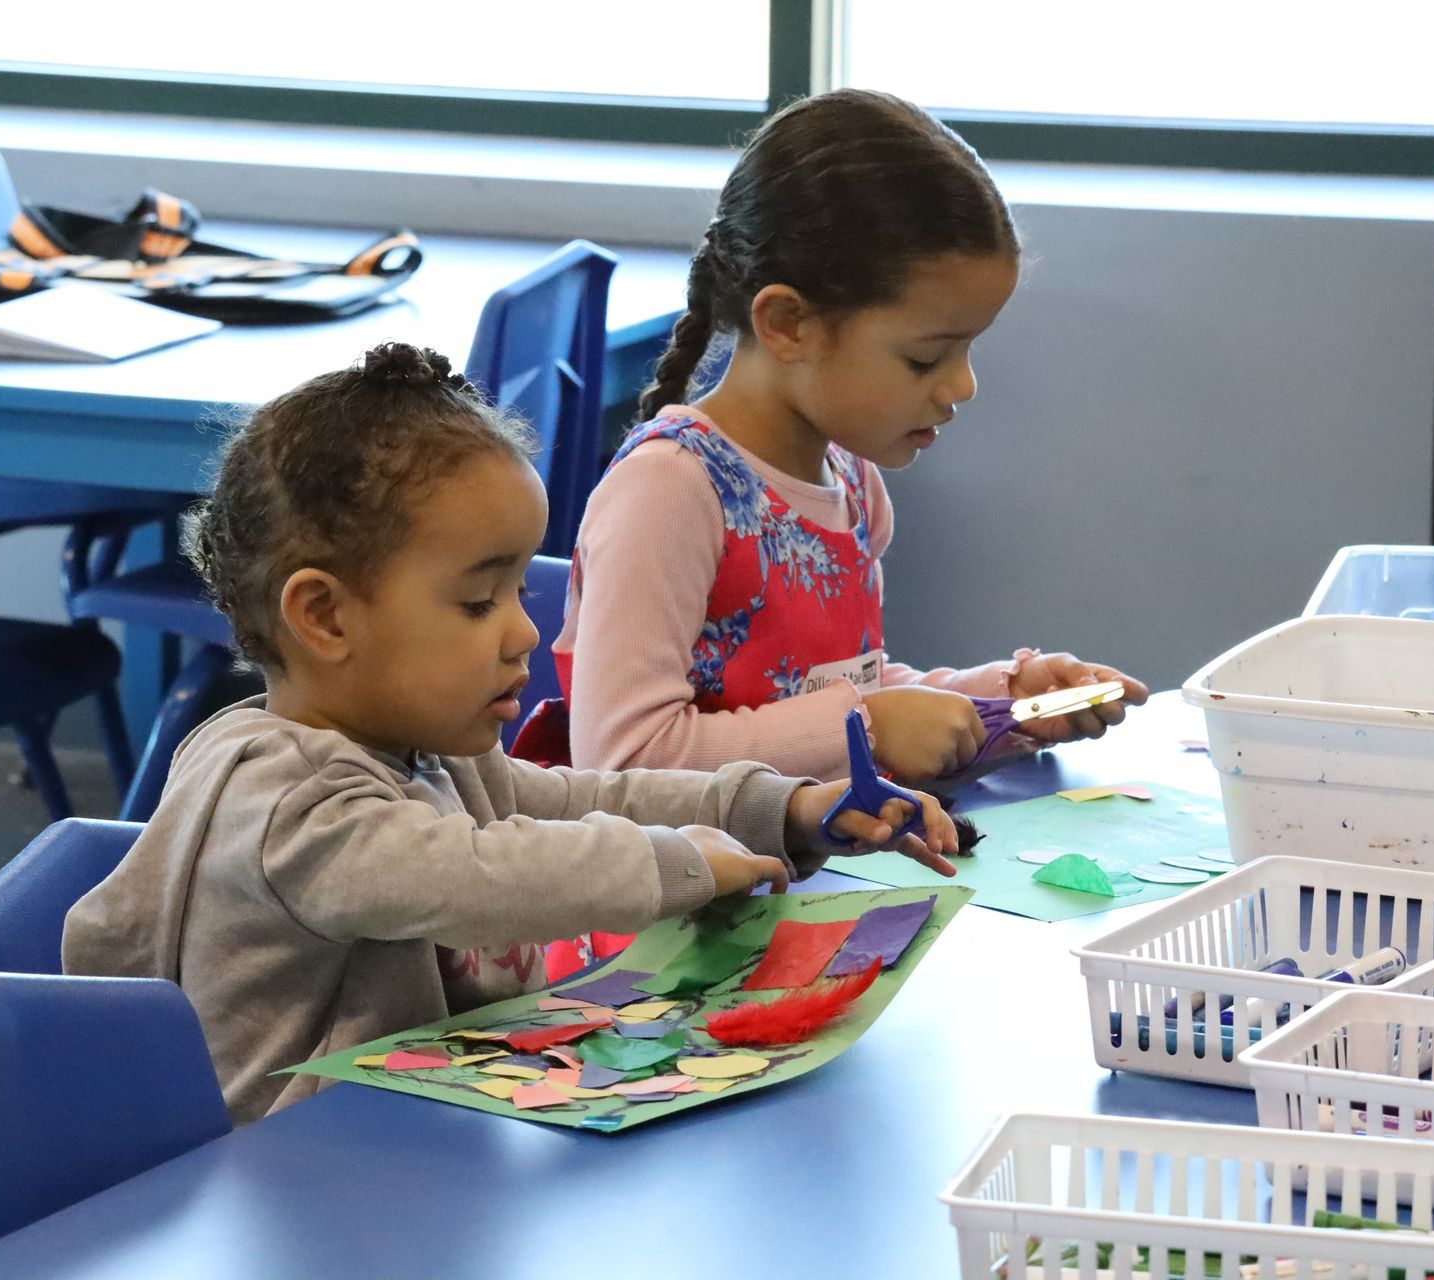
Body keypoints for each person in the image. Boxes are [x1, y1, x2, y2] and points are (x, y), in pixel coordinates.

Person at [63, 342, 959, 1124]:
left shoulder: (424, 752)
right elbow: (473, 873)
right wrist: (673, 864)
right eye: (475, 600)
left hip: (418, 1139)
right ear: (325, 618)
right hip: (286, 1184)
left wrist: (778, 810)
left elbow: (570, 796)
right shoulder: (285, 802)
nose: (523, 632)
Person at [540, 89, 1149, 785]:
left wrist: (1001, 704)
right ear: (789, 324)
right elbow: (624, 759)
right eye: (925, 358)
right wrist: (868, 729)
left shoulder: (851, 479)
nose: (962, 387)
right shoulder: (669, 493)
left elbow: (840, 686)